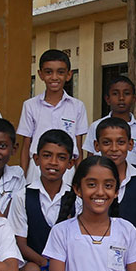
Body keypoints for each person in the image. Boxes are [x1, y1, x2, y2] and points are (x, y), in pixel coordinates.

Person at [10, 129, 78, 271]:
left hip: (67, 264)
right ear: (36, 159)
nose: (53, 162)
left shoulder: (76, 197)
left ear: (70, 164)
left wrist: (57, 265)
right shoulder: (22, 196)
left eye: (61, 157)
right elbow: (20, 242)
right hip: (35, 260)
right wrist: (45, 263)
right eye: (47, 155)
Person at [17, 49, 89, 183]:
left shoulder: (77, 106)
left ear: (68, 75)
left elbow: (78, 146)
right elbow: (26, 145)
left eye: (60, 72)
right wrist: (23, 177)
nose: (54, 77)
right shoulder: (30, 105)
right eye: (49, 72)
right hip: (37, 167)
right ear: (40, 74)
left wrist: (79, 179)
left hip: (67, 167)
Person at [91, 117, 136, 238]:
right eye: (107, 142)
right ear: (97, 146)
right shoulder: (89, 177)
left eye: (120, 142)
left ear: (130, 144)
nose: (114, 148)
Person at [83, 75, 136, 168]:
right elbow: (90, 157)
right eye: (115, 94)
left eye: (126, 93)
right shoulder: (96, 126)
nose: (121, 98)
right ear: (107, 99)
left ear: (134, 98)